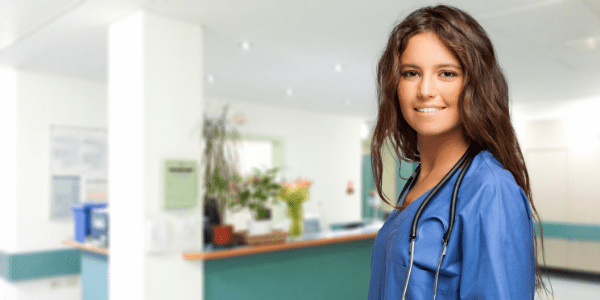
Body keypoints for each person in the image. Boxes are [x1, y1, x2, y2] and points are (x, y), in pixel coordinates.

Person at [368, 5, 548, 300]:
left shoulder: (490, 189)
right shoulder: (416, 184)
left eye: (447, 73)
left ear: (474, 86)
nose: (425, 90)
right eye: (411, 73)